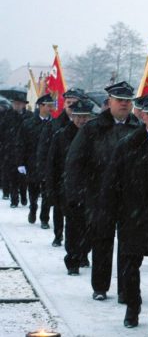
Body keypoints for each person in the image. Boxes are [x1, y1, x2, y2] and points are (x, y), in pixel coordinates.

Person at [101, 92, 148, 337]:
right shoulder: (128, 143)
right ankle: (133, 307)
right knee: (130, 267)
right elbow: (112, 182)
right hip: (133, 216)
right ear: (141, 115)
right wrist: (109, 214)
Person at [65, 81, 140, 302]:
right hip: (99, 194)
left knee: (128, 245)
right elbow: (75, 162)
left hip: (130, 196)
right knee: (102, 241)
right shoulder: (93, 128)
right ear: (109, 103)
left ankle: (126, 290)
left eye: (128, 101)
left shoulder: (137, 128)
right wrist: (76, 194)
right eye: (120, 100)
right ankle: (100, 286)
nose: (124, 104)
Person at [47, 99, 94, 274]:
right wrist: (51, 190)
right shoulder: (61, 136)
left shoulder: (94, 134)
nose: (82, 121)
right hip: (68, 188)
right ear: (72, 116)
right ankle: (73, 259)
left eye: (85, 117)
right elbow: (52, 164)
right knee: (73, 226)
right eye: (79, 117)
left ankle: (84, 253)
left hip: (91, 188)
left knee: (89, 226)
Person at [38, 88, 86, 237]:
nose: (71, 106)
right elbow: (45, 150)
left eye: (74, 103)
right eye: (68, 102)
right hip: (60, 172)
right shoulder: (55, 125)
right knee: (59, 206)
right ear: (64, 104)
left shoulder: (87, 125)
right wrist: (45, 173)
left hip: (79, 175)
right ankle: (58, 234)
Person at [15, 94, 53, 228]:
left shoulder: (54, 124)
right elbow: (21, 144)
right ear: (40, 106)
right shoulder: (29, 123)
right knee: (33, 189)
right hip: (33, 162)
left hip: (49, 163)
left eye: (51, 105)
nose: (50, 108)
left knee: (47, 192)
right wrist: (20, 162)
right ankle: (33, 207)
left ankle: (44, 218)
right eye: (48, 105)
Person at [5, 91, 32, 208]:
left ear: (24, 104)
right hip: (9, 150)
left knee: (24, 176)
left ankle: (24, 195)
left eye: (19, 103)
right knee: (12, 176)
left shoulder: (29, 116)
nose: (17, 105)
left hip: (25, 150)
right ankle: (14, 199)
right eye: (15, 103)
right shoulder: (6, 116)